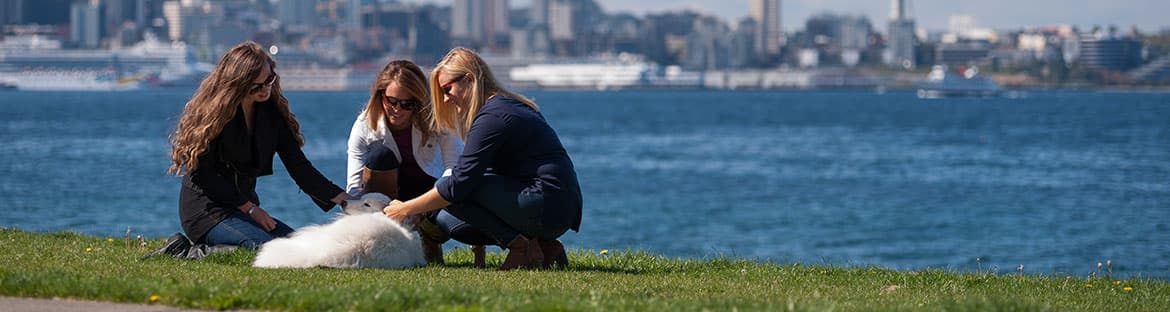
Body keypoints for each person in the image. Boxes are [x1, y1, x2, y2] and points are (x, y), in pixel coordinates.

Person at [384, 47, 582, 270]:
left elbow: (458, 185)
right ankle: (544, 247)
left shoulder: (492, 117)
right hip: (560, 207)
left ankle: (521, 248)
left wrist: (404, 209)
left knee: (450, 190)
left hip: (546, 207)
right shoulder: (508, 105)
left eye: (447, 89)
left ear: (469, 80)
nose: (446, 100)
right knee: (453, 212)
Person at [167, 41, 354, 250]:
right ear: (238, 84)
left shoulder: (270, 115)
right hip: (207, 211)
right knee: (267, 249)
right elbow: (205, 176)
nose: (265, 89)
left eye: (269, 80)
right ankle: (185, 251)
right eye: (256, 86)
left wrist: (345, 200)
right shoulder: (215, 117)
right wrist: (250, 209)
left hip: (243, 209)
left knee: (302, 248)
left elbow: (300, 168)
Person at [345, 59, 483, 265]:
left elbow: (455, 171)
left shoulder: (440, 119)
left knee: (453, 209)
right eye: (391, 101)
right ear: (380, 96)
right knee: (379, 157)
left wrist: (419, 208)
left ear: (418, 103)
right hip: (386, 199)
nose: (397, 109)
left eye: (407, 104)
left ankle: (432, 240)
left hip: (430, 194)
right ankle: (387, 240)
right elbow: (354, 188)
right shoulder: (364, 125)